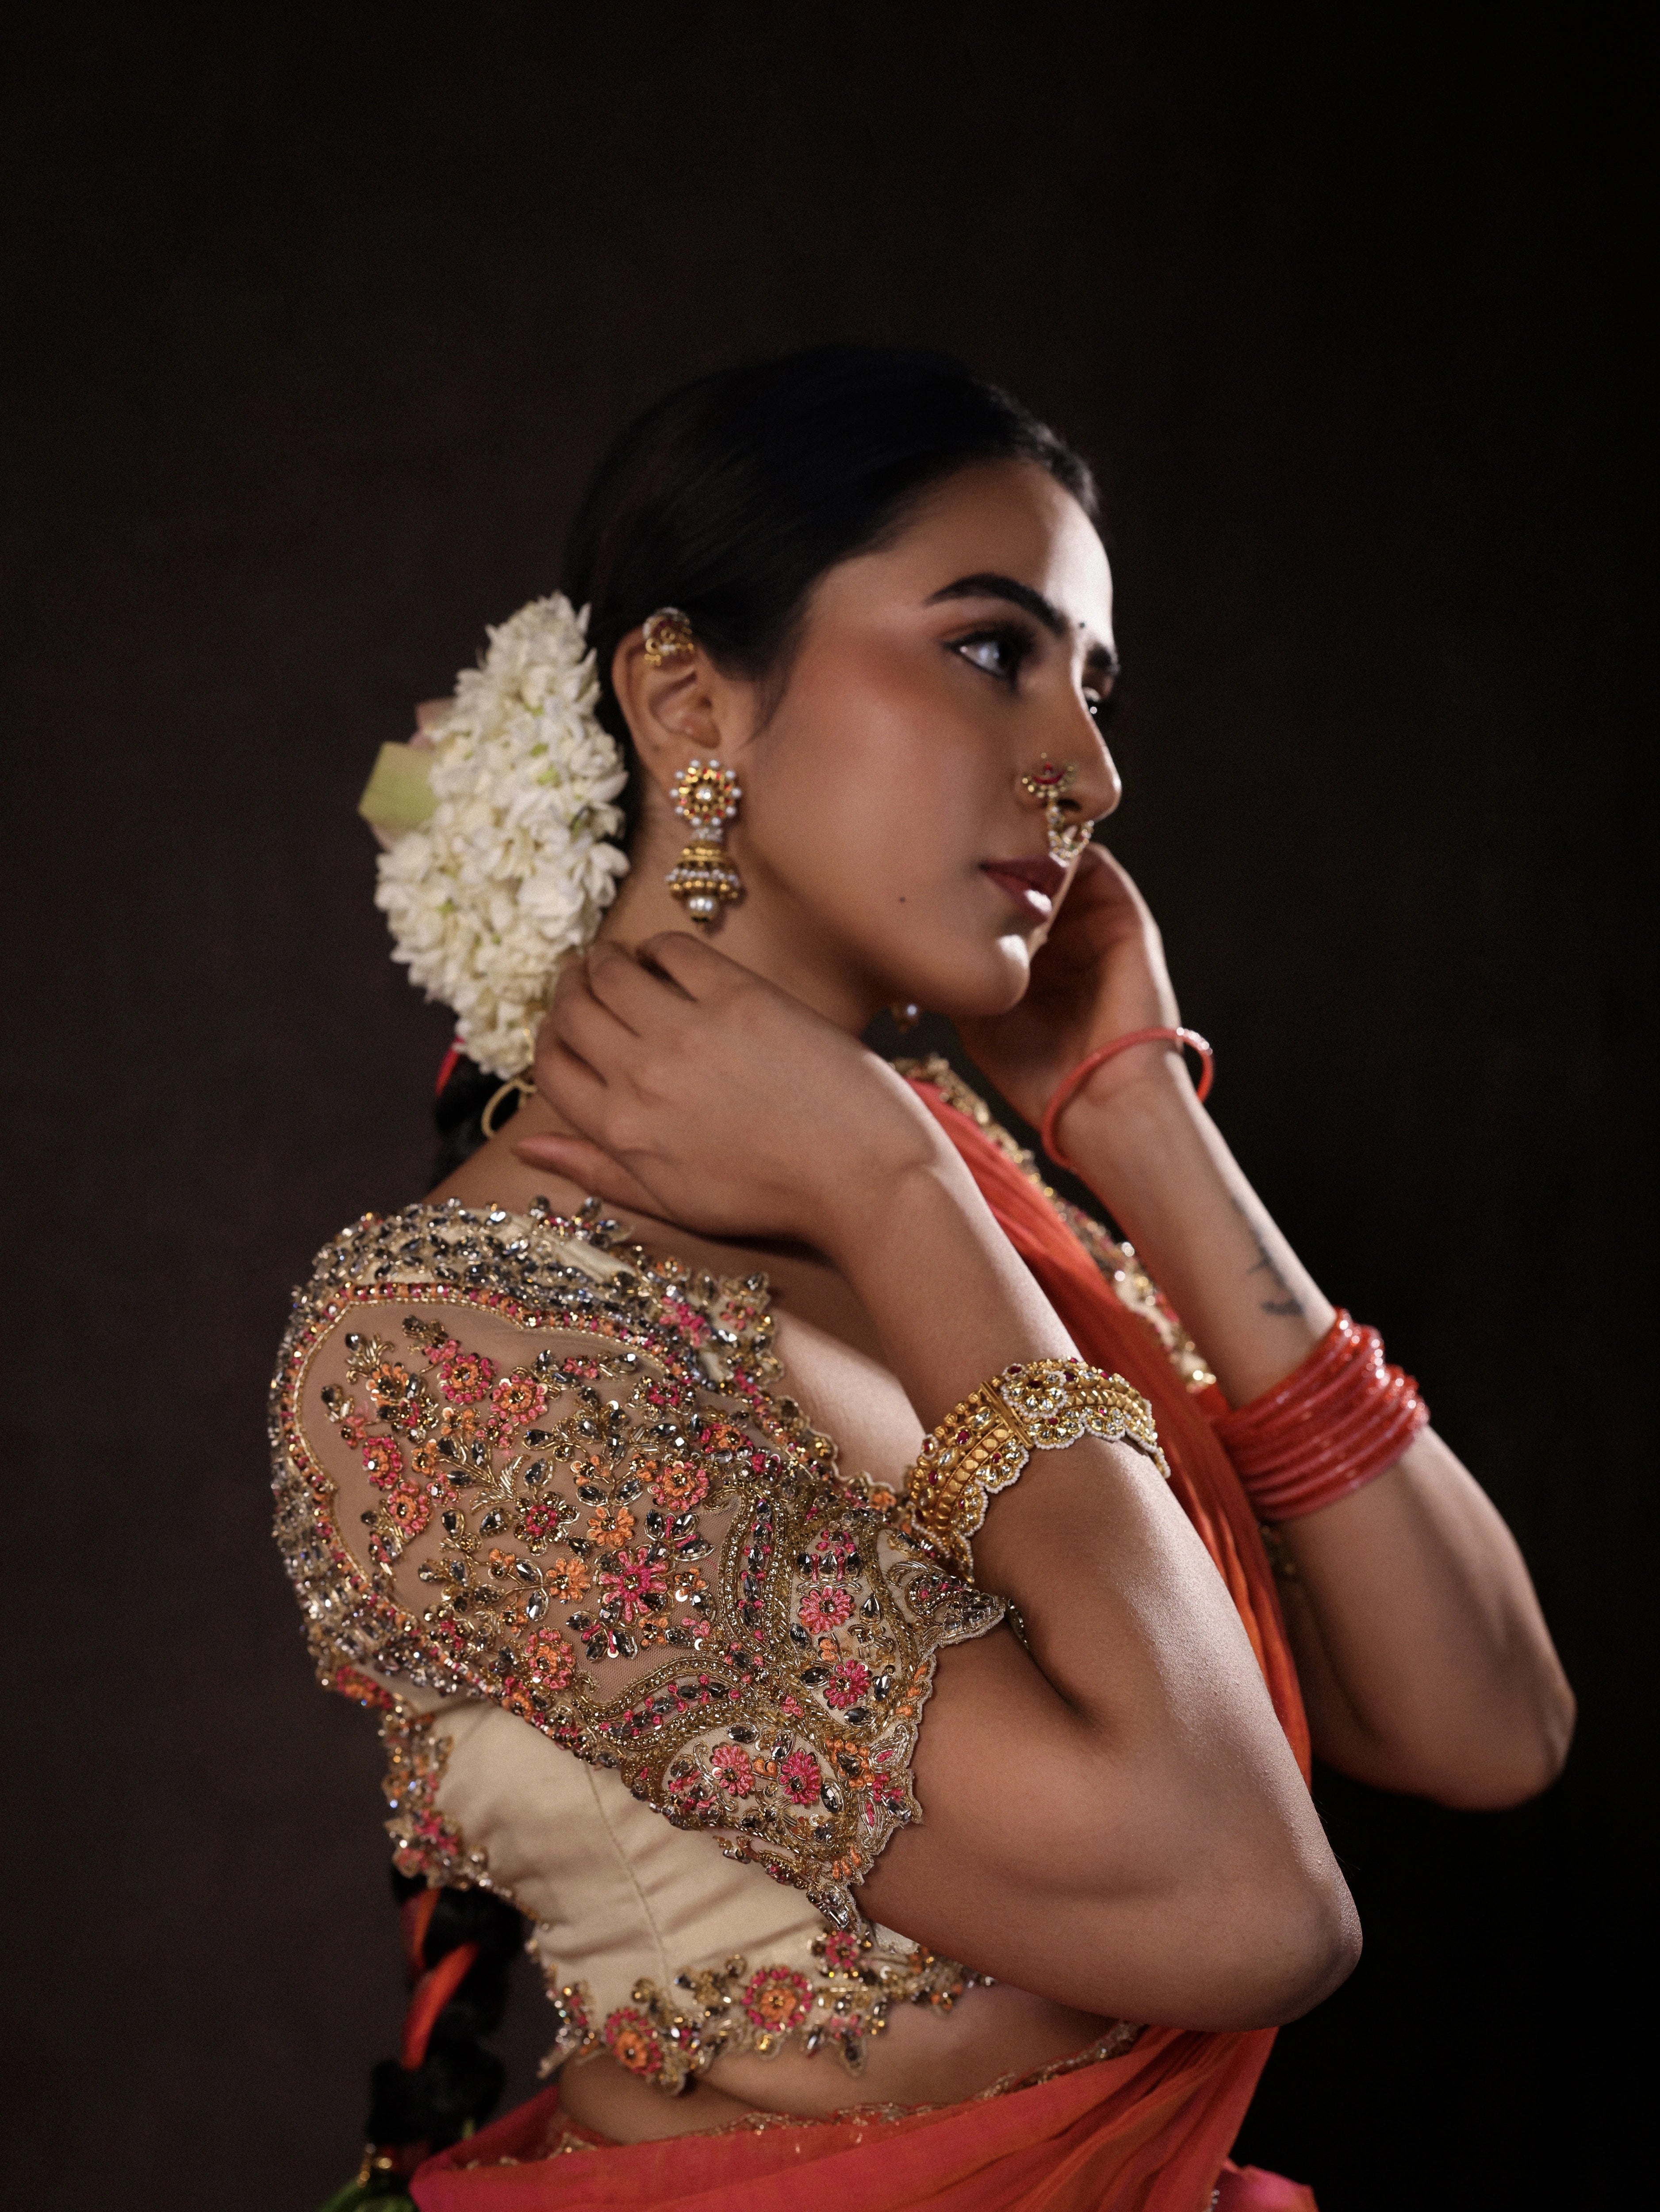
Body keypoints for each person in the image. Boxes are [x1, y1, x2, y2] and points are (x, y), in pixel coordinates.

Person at [280, 346, 1573, 2212]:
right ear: (682, 696)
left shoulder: (980, 1193)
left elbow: (1487, 1722)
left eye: (1097, 682)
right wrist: (889, 1178)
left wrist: (1139, 1127)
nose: (1091, 768)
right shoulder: (455, 1335)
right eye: (992, 648)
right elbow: (1249, 1905)